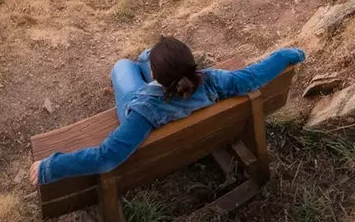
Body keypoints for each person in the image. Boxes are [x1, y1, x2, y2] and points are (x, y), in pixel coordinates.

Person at [30, 37, 305, 185]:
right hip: (187, 110)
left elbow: (107, 157)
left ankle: (144, 59)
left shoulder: (143, 111)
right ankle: (148, 55)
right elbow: (254, 76)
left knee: (122, 66)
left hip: (137, 99)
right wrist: (287, 54)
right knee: (149, 53)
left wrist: (50, 167)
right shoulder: (215, 81)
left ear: (154, 77)